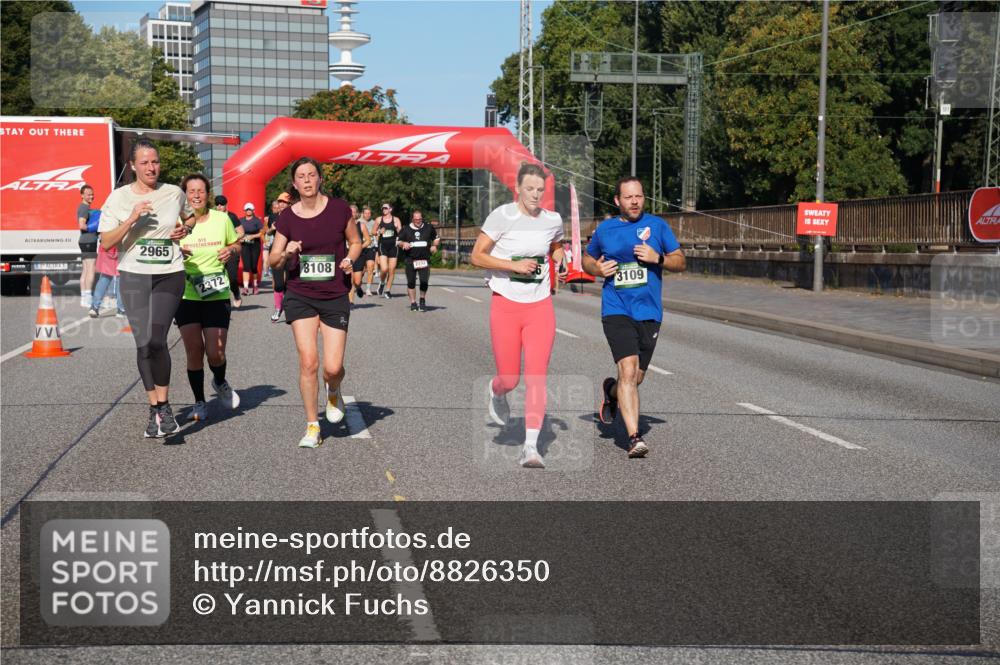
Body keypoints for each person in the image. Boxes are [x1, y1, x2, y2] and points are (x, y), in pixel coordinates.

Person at [471, 162, 566, 468]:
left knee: (537, 378)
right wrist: (514, 266)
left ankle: (531, 448)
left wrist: (560, 260)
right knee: (510, 378)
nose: (536, 195)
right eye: (530, 189)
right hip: (506, 303)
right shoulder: (502, 216)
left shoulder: (552, 219)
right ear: (518, 189)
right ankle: (496, 392)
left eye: (540, 190)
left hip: (540, 306)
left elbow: (555, 245)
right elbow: (476, 256)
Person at [582, 176, 685, 458]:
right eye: (628, 197)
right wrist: (597, 269)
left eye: (639, 196)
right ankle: (634, 437)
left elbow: (680, 260)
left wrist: (658, 258)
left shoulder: (657, 226)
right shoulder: (606, 230)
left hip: (649, 312)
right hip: (616, 309)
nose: (635, 201)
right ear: (617, 201)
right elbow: (587, 259)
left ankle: (611, 391)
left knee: (635, 379)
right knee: (628, 369)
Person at [98, 138, 192, 438]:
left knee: (156, 338)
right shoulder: (118, 198)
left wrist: (185, 228)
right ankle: (155, 409)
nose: (152, 167)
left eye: (155, 161)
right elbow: (107, 242)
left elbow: (191, 214)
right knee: (143, 344)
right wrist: (131, 219)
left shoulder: (173, 193)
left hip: (169, 273)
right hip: (134, 275)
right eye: (145, 162)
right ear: (133, 166)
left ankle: (164, 406)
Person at [269, 157, 362, 449]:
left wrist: (350, 259)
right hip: (300, 294)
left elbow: (356, 241)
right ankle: (312, 425)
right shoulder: (288, 217)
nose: (307, 180)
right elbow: (273, 258)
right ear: (295, 184)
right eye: (301, 176)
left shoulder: (339, 209)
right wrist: (286, 253)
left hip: (335, 293)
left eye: (312, 175)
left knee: (332, 367)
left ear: (320, 179)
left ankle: (333, 389)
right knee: (308, 361)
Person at [175, 174, 242, 422]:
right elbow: (164, 249)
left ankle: (220, 381)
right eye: (191, 191)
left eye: (200, 191)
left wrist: (230, 250)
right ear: (184, 196)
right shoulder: (176, 223)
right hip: (186, 293)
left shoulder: (221, 219)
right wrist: (176, 251)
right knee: (194, 351)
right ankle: (199, 401)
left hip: (216, 293)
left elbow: (237, 244)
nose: (196, 196)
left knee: (216, 352)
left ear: (208, 194)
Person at [397, 209, 439, 312]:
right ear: (412, 219)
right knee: (411, 282)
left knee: (424, 281)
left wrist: (434, 245)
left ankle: (422, 299)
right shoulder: (406, 229)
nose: (418, 221)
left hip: (424, 259)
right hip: (410, 259)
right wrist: (403, 244)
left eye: (420, 219)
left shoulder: (429, 227)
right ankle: (413, 302)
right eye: (416, 220)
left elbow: (436, 238)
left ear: (422, 218)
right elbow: (398, 241)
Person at [214, 195, 245, 308]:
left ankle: (236, 293)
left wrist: (231, 237)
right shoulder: (213, 217)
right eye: (217, 204)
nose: (219, 206)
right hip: (218, 250)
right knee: (218, 277)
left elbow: (241, 232)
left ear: (226, 205)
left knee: (232, 277)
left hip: (232, 249)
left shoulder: (232, 217)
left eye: (221, 204)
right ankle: (220, 302)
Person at [269, 192, 291, 322]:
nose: (281, 204)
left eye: (284, 202)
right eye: (280, 202)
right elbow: (267, 232)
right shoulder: (273, 216)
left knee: (290, 282)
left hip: (290, 252)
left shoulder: (296, 216)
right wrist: (271, 229)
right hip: (276, 252)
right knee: (278, 284)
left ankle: (288, 307)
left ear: (289, 204)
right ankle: (278, 308)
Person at [88, 241, 125, 318]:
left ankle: (94, 307)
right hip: (121, 245)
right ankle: (121, 310)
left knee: (105, 277)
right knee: (121, 278)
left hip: (107, 245)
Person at [77, 184, 99, 307]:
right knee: (90, 269)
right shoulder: (84, 208)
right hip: (89, 241)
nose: (91, 196)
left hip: (84, 241)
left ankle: (84, 298)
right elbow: (82, 225)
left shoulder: (84, 207)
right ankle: (88, 297)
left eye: (92, 194)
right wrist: (95, 225)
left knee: (85, 269)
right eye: (88, 194)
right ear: (82, 195)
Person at [375, 202, 401, 298]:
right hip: (383, 245)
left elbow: (401, 233)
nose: (384, 210)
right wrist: (379, 232)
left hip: (393, 246)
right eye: (383, 208)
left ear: (390, 209)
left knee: (392, 269)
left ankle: (388, 290)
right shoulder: (379, 219)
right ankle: (382, 282)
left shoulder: (396, 219)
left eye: (386, 208)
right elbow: (373, 232)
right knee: (384, 268)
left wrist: (397, 228)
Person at [348, 204, 372, 304]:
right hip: (347, 255)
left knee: (357, 281)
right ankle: (350, 300)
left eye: (354, 212)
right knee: (349, 278)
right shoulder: (343, 225)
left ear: (357, 213)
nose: (352, 214)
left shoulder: (361, 225)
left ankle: (358, 287)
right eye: (350, 212)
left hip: (358, 255)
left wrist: (358, 247)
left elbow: (368, 240)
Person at [239, 202, 265, 296]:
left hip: (255, 245)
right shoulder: (241, 220)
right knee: (246, 266)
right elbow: (236, 231)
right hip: (245, 245)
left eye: (250, 209)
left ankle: (255, 286)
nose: (248, 211)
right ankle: (245, 288)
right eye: (247, 209)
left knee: (253, 266)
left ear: (253, 210)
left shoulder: (257, 220)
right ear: (244, 211)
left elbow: (262, 232)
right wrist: (240, 238)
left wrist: (252, 236)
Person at [360, 205, 378, 296]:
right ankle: (358, 283)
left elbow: (377, 234)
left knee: (370, 267)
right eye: (366, 213)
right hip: (360, 247)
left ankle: (368, 289)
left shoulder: (374, 223)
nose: (367, 215)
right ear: (362, 214)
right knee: (361, 270)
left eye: (369, 213)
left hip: (371, 247)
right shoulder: (358, 222)